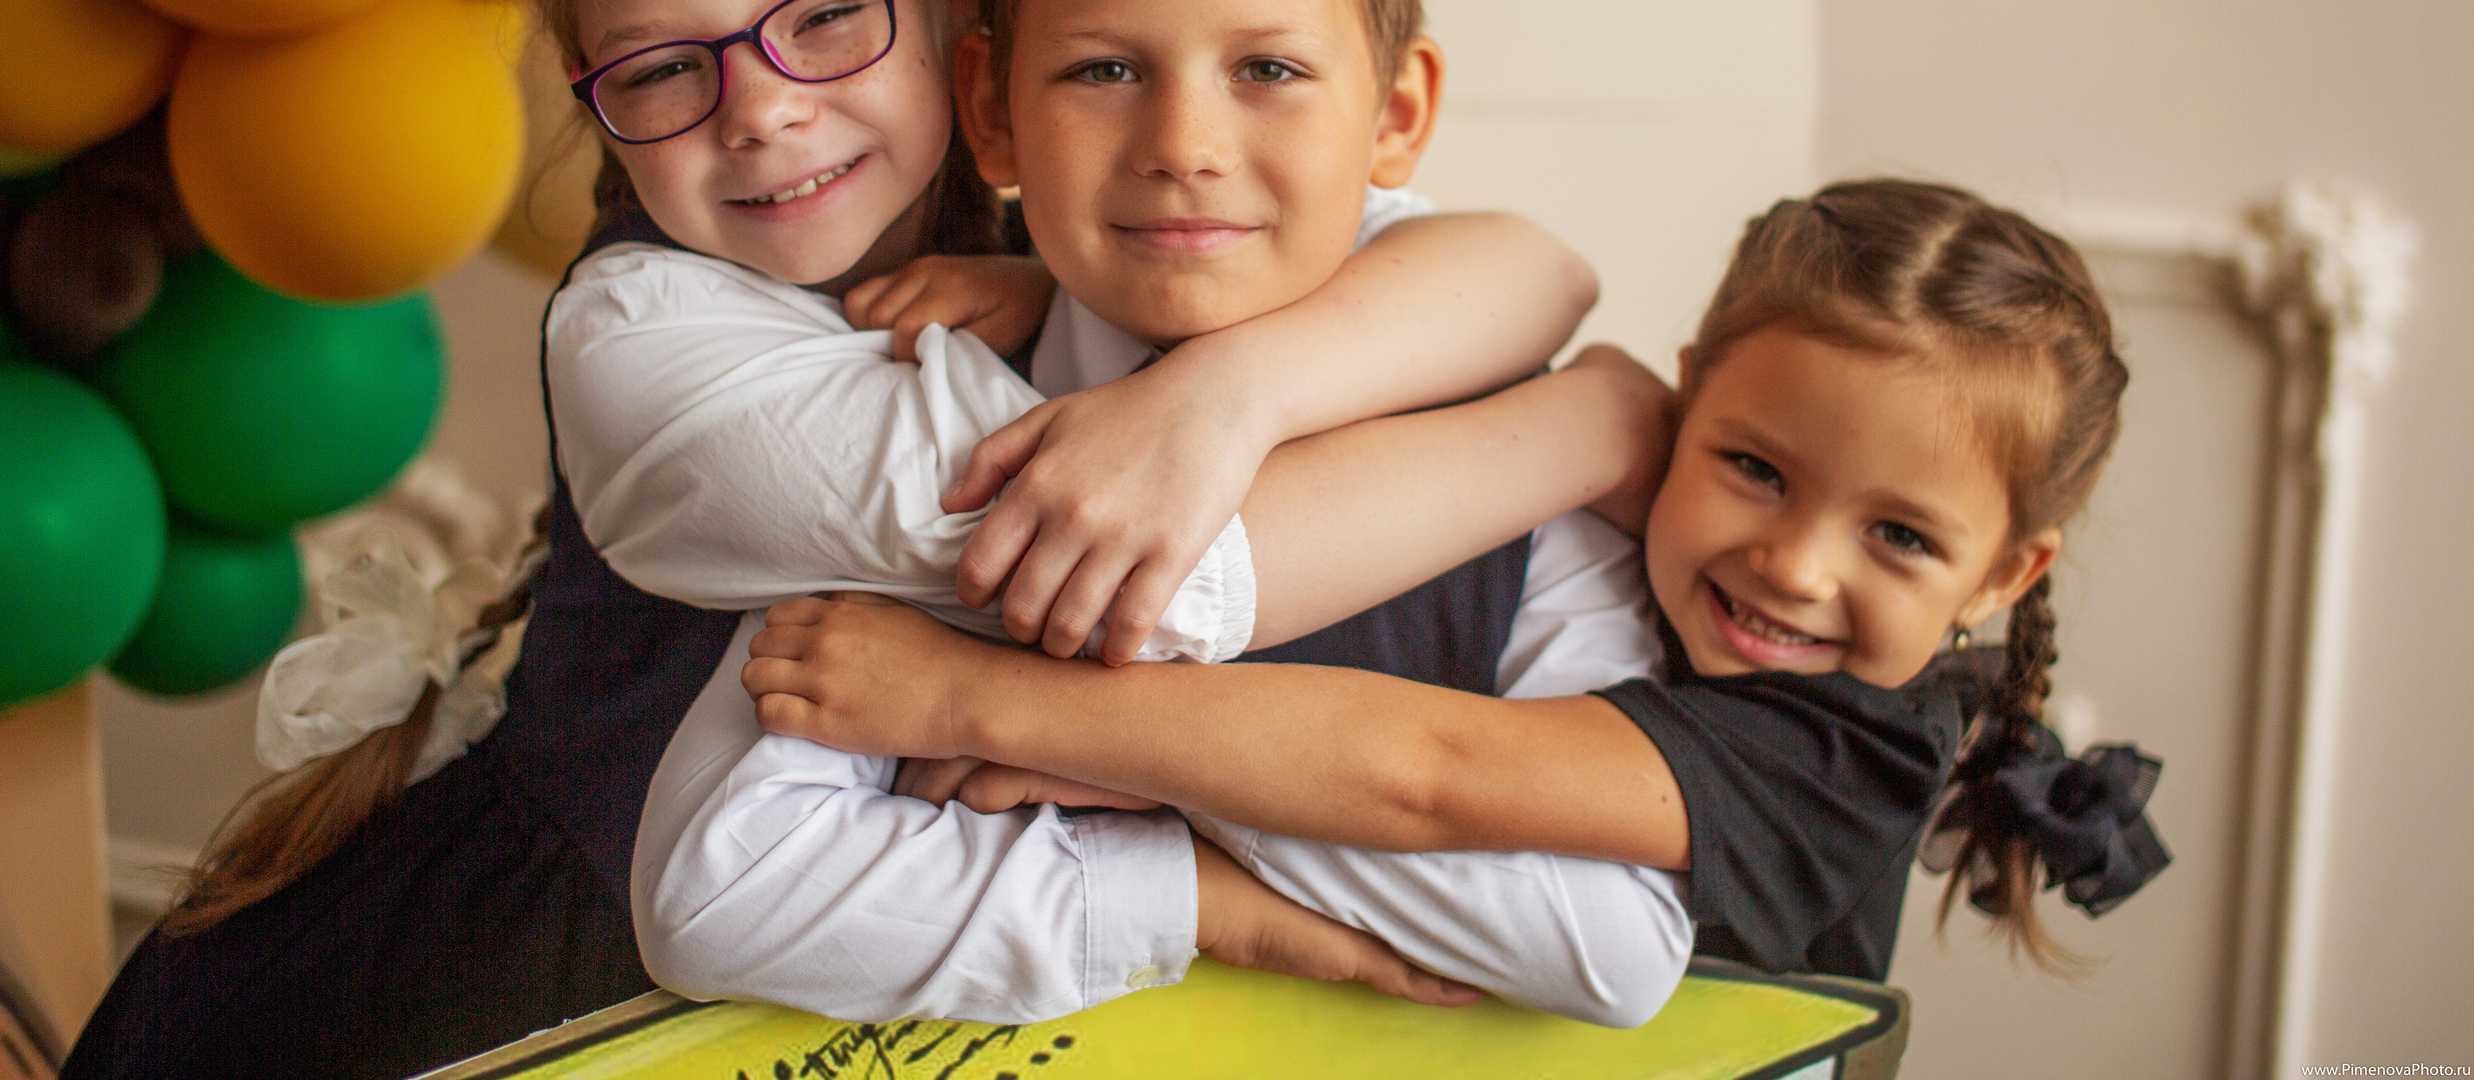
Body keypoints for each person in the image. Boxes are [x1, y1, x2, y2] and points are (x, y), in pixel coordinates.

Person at [63, 0, 1668, 1080]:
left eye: (829, 15)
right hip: (512, 1005)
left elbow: (1508, 263)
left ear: (959, 19)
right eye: (662, 70)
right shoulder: (647, 336)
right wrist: (1580, 429)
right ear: (595, 108)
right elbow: (1150, 559)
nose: (764, 114)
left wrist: (1231, 368)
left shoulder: (1081, 234)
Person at [610, 0, 1695, 1026]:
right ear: (995, 106)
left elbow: (1614, 942)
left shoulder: (1522, 455)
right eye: (1105, 69)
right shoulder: (935, 412)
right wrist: (1186, 885)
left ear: (1397, 113)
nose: (1185, 143)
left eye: (1269, 70)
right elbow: (723, 890)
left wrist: (1128, 758)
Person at [745, 179, 2176, 982]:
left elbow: (1426, 774)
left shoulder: (1849, 741)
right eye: (1754, 468)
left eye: (1903, 540)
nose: (1792, 565)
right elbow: (1407, 355)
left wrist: (985, 701)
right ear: (1691, 403)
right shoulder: (1639, 484)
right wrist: (1071, 308)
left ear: (2006, 574)